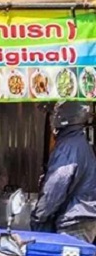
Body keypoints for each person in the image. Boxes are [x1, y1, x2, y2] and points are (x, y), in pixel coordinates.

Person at [32, 101, 96, 242]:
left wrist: (39, 216)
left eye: (53, 114)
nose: (51, 120)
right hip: (83, 218)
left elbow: (56, 186)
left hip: (74, 222)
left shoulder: (67, 147)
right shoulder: (78, 142)